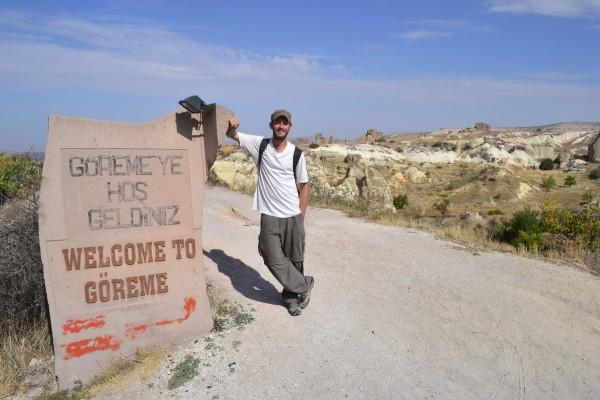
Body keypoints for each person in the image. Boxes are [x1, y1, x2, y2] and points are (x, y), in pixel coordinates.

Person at [225, 109, 314, 316]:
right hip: (270, 215)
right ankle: (304, 284)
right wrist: (232, 127)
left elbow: (304, 185)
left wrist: (301, 215)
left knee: (295, 258)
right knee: (270, 254)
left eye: (285, 123)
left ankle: (291, 298)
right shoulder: (261, 145)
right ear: (271, 125)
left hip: (292, 215)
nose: (280, 126)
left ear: (289, 127)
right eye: (277, 123)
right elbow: (233, 136)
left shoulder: (296, 154)